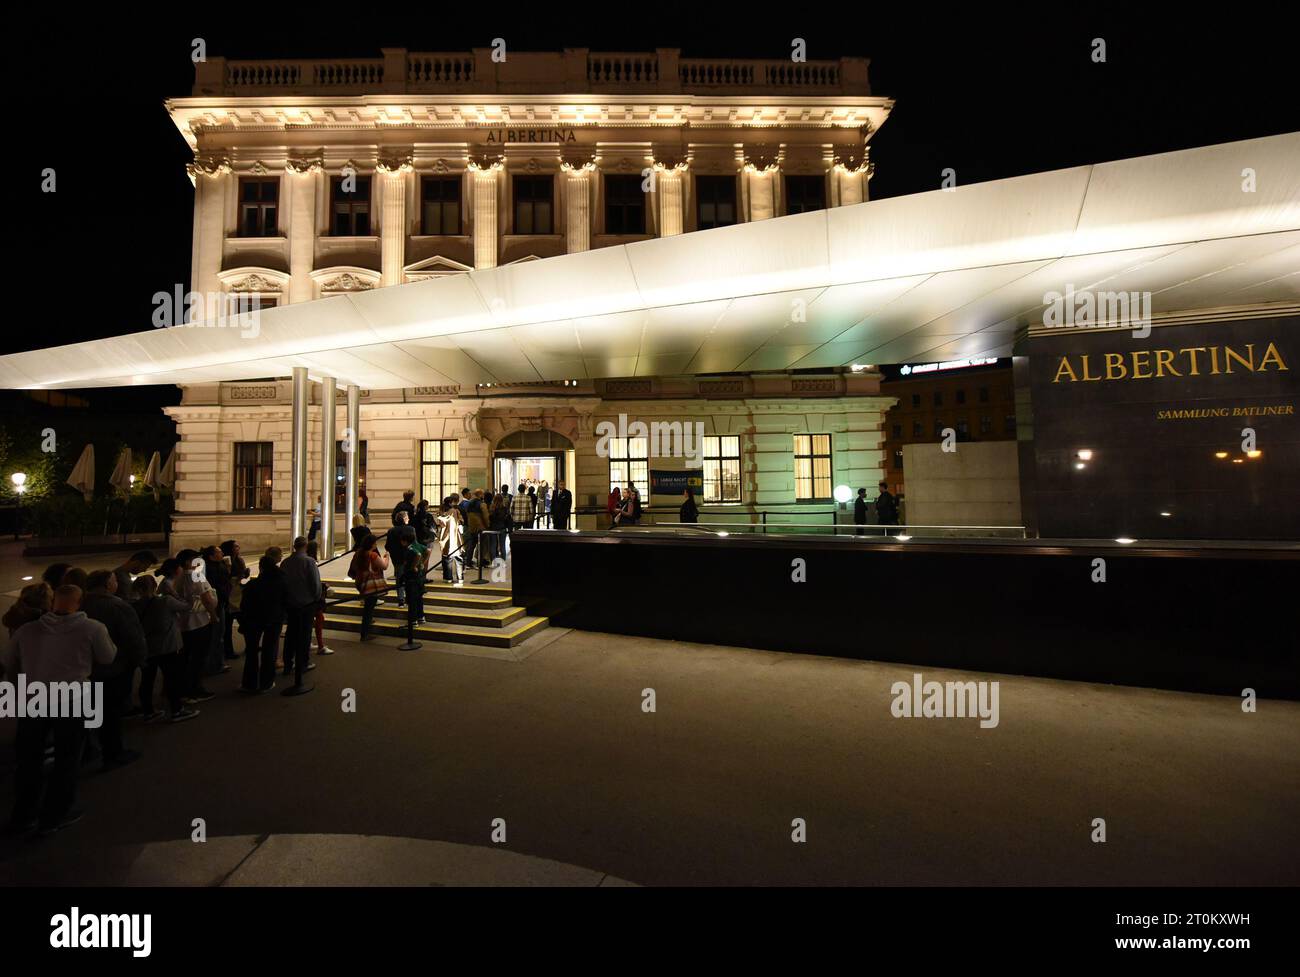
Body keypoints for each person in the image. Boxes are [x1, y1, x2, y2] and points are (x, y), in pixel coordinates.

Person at [3, 585, 116, 835]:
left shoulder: (27, 630)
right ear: (80, 602)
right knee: (67, 757)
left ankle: (23, 815)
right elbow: (108, 657)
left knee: (29, 758)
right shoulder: (92, 628)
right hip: (72, 698)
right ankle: (54, 815)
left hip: (35, 697)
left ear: (54, 601)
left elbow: (9, 663)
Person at [82, 570, 147, 769]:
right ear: (107, 584)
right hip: (114, 667)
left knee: (92, 710)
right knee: (111, 713)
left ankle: (88, 749)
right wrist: (140, 660)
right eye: (114, 581)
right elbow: (132, 638)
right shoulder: (118, 606)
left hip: (84, 668)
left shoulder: (80, 603)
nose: (116, 584)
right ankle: (113, 752)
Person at [133, 570, 198, 722]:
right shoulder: (165, 601)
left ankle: (148, 711)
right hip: (167, 645)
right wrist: (179, 593)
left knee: (147, 679)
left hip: (147, 646)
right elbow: (187, 606)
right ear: (154, 586)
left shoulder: (134, 605)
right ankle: (176, 709)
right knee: (171, 678)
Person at [174, 549, 218, 703]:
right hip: (199, 622)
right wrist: (213, 615)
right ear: (188, 562)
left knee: (187, 658)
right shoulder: (196, 576)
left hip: (184, 623)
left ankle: (183, 689)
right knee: (198, 658)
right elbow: (206, 598)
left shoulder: (179, 577)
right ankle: (194, 690)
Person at [238, 553, 286, 692]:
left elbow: (244, 604)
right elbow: (286, 600)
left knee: (252, 652)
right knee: (270, 650)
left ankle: (249, 683)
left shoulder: (253, 584)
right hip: (274, 619)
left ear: (261, 568)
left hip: (254, 620)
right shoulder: (281, 582)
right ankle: (266, 682)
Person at [280, 537, 322, 691]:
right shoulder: (309, 562)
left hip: (291, 604)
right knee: (304, 635)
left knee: (291, 634)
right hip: (306, 604)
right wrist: (317, 598)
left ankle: (287, 663)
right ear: (305, 546)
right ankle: (303, 663)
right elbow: (315, 584)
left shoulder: (285, 562)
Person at [348, 534, 389, 641]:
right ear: (371, 544)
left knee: (368, 606)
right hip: (371, 584)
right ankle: (365, 633)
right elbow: (384, 566)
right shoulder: (372, 555)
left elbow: (353, 568)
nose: (376, 544)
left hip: (361, 582)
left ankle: (366, 626)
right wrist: (386, 558)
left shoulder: (358, 553)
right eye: (375, 542)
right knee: (369, 608)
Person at [202, 545, 233, 675]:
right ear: (211, 556)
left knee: (218, 634)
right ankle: (214, 665)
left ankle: (216, 663)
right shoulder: (209, 569)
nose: (222, 553)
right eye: (219, 552)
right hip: (216, 604)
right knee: (216, 635)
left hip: (221, 603)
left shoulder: (220, 565)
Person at [304, 541, 335, 656]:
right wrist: (323, 587)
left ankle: (308, 643)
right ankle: (320, 646)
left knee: (311, 619)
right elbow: (313, 580)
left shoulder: (302, 561)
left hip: (305, 596)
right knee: (319, 618)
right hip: (312, 597)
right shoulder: (311, 561)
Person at [220, 540, 249, 660]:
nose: (239, 547)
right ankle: (228, 651)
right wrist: (229, 568)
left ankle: (250, 645)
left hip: (239, 594)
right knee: (227, 626)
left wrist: (245, 575)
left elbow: (242, 578)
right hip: (229, 595)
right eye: (236, 546)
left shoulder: (240, 560)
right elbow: (225, 578)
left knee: (247, 624)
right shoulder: (226, 561)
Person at [385, 510, 417, 605]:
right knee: (410, 578)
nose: (409, 519)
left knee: (399, 579)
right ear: (404, 519)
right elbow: (415, 544)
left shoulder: (391, 531)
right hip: (409, 558)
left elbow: (387, 546)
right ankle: (409, 598)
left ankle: (401, 599)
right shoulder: (411, 529)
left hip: (397, 558)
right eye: (407, 517)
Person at [436, 498, 464, 582]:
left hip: (445, 536)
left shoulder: (440, 512)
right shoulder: (455, 511)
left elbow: (440, 524)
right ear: (451, 503)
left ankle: (447, 578)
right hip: (455, 535)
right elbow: (461, 521)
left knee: (446, 557)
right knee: (459, 557)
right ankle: (460, 577)